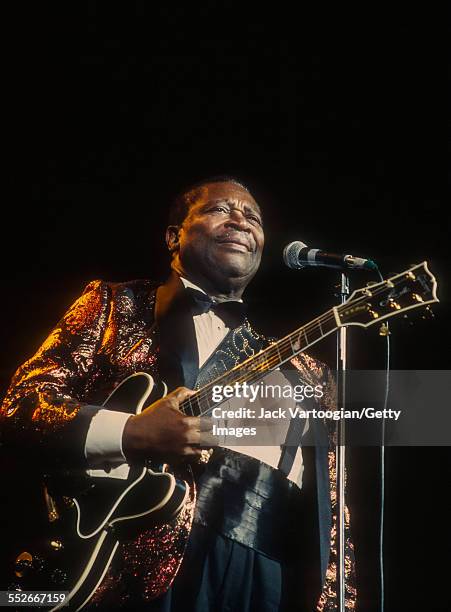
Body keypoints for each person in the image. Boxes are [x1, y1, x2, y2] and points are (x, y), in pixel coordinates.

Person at [0, 177, 356, 611]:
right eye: (220, 209)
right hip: (125, 560)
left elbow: (333, 512)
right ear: (174, 236)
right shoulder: (116, 304)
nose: (241, 220)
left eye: (254, 217)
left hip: (262, 580)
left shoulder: (309, 373)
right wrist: (131, 432)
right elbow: (23, 405)